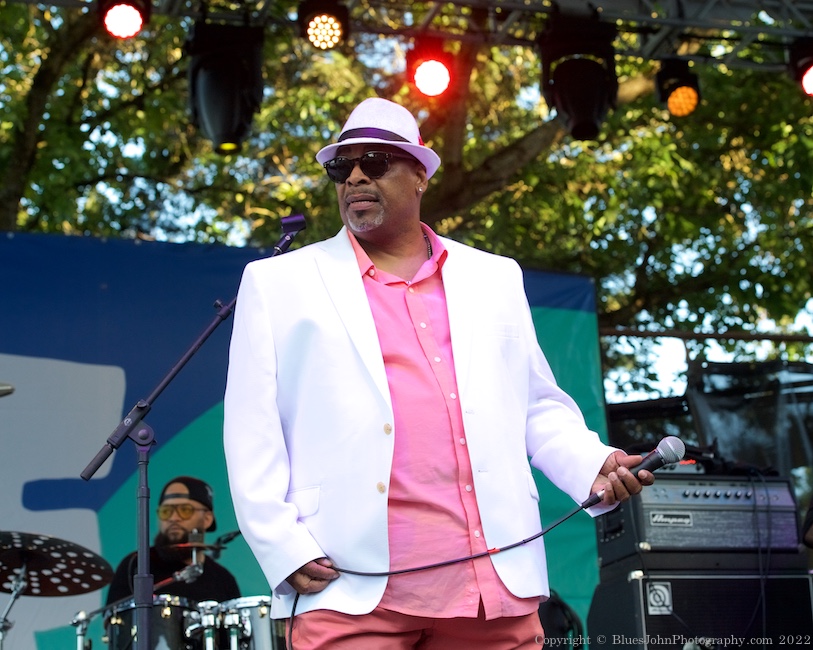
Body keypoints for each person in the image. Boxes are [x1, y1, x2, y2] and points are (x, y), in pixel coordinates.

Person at [223, 97, 654, 649]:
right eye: (341, 166)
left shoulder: (494, 277)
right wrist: (282, 545)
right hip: (350, 582)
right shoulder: (279, 283)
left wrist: (593, 464)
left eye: (375, 161)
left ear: (421, 173)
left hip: (492, 582)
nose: (355, 175)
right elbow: (251, 430)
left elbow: (536, 405)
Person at [105, 476, 241, 606]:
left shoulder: (223, 580)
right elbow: (115, 622)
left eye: (185, 510)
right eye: (166, 511)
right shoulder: (137, 565)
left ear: (207, 519)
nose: (174, 518)